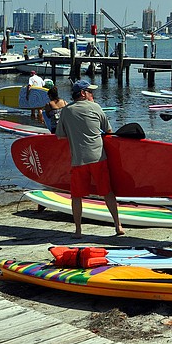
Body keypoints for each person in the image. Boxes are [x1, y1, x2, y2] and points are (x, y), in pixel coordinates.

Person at [55, 80, 124, 237]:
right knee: (107, 193)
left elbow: (59, 136)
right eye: (90, 92)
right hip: (98, 158)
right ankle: (118, 226)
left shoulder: (66, 110)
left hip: (78, 160)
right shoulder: (96, 107)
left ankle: (78, 231)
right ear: (83, 94)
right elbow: (109, 130)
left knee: (77, 196)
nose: (93, 94)